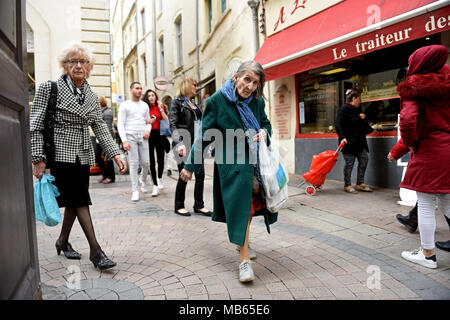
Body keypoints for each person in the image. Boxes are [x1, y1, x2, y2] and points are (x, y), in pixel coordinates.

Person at [30, 42, 127, 271]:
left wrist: (115, 154)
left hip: (83, 154)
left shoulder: (92, 96)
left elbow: (100, 128)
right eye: (72, 61)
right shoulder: (49, 88)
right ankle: (96, 251)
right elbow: (35, 125)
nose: (78, 66)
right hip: (60, 153)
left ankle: (62, 241)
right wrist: (37, 157)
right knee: (80, 198)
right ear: (65, 65)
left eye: (83, 61)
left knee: (75, 200)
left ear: (90, 67)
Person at [180, 61, 278, 283]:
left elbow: (266, 125)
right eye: (247, 80)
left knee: (250, 209)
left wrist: (263, 132)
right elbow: (204, 135)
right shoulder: (216, 101)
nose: (250, 86)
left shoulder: (257, 102)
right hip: (232, 165)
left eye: (255, 82)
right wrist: (189, 166)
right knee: (242, 209)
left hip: (255, 165)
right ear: (236, 77)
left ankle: (242, 241)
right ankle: (244, 261)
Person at [397, 44, 450, 268]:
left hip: (429, 150)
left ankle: (427, 255)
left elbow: (408, 121)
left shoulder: (415, 87)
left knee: (426, 203)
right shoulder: (447, 84)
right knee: (447, 202)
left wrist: (410, 143)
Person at [169, 77, 212, 217]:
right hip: (183, 143)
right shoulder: (177, 102)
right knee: (184, 175)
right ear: (187, 85)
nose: (196, 87)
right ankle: (179, 205)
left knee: (200, 175)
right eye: (194, 85)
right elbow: (173, 124)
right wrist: (179, 143)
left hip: (196, 144)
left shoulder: (193, 103)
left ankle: (199, 205)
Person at [117, 82, 152, 201]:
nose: (140, 90)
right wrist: (124, 140)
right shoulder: (125, 105)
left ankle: (142, 180)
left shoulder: (145, 105)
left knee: (146, 163)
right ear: (131, 90)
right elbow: (120, 124)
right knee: (133, 164)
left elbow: (148, 121)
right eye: (137, 88)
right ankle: (135, 190)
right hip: (130, 136)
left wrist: (148, 130)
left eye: (141, 88)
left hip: (143, 137)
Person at [335, 88, 374, 193]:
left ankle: (360, 183)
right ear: (354, 98)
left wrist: (363, 117)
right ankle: (347, 185)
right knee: (350, 163)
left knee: (364, 160)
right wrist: (342, 137)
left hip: (359, 142)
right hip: (348, 142)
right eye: (359, 99)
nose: (360, 101)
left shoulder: (356, 109)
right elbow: (338, 124)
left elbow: (357, 122)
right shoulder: (344, 109)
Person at [387, 138, 419, 233]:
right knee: (433, 197)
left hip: (432, 153)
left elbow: (409, 130)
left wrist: (395, 152)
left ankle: (427, 247)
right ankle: (413, 218)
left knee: (429, 199)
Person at [142, 89, 169, 197]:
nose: (151, 97)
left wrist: (161, 109)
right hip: (149, 135)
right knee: (151, 161)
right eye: (149, 96)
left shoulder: (160, 107)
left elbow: (166, 120)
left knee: (161, 160)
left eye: (153, 95)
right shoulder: (145, 109)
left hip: (160, 134)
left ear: (156, 97)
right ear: (146, 98)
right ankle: (155, 186)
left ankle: (160, 177)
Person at [96, 96, 116, 184]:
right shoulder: (101, 112)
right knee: (96, 155)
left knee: (108, 158)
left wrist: (104, 140)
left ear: (100, 103)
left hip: (106, 138)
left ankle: (111, 177)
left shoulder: (107, 113)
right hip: (100, 138)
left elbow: (107, 128)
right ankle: (105, 173)